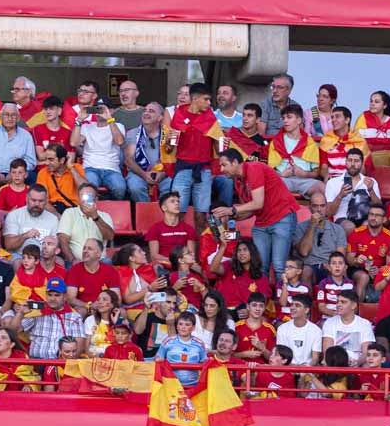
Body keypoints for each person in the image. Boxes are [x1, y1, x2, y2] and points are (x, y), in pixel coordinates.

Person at [214, 149, 300, 283]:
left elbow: (257, 203)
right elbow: (251, 210)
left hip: (281, 217)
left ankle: (281, 302)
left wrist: (231, 210)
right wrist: (229, 217)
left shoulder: (254, 168)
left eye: (224, 165)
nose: (221, 169)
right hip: (262, 222)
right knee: (260, 267)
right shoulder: (238, 181)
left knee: (278, 266)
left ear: (235, 162)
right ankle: (263, 301)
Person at [168, 83, 223, 222]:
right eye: (206, 99)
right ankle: (177, 244)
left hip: (204, 170)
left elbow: (220, 145)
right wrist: (170, 139)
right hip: (182, 169)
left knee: (201, 216)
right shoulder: (179, 115)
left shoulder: (210, 117)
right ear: (195, 98)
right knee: (177, 213)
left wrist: (222, 159)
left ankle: (202, 244)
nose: (209, 103)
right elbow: (169, 148)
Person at [268, 104, 325, 201]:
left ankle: (318, 216)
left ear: (299, 120)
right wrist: (281, 175)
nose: (285, 121)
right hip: (282, 179)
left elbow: (316, 173)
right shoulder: (276, 142)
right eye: (284, 118)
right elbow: (269, 172)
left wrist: (303, 174)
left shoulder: (310, 143)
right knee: (269, 185)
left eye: (289, 117)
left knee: (321, 187)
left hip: (304, 181)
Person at [21, 277, 85, 359]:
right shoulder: (37, 313)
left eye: (57, 295)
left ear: (65, 296)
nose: (52, 298)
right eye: (50, 295)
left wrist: (66, 363)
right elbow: (13, 330)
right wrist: (20, 313)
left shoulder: (74, 317)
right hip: (36, 362)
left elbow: (79, 345)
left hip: (60, 363)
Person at [0, 104, 34, 193]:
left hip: (17, 172)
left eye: (13, 115)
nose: (10, 118)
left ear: (18, 118)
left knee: (31, 176)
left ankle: (25, 205)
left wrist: (15, 173)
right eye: (6, 115)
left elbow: (31, 161)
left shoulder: (26, 136)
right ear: (1, 117)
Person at [124, 102, 172, 203]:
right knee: (135, 187)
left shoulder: (171, 134)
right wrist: (144, 175)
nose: (146, 113)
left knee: (171, 187)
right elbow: (129, 159)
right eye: (145, 110)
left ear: (160, 118)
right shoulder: (133, 133)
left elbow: (174, 158)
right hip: (138, 172)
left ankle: (163, 214)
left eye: (151, 111)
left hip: (165, 172)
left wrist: (163, 174)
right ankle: (148, 213)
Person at [324, 149, 381, 232]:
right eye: (350, 160)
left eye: (356, 161)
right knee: (349, 226)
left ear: (362, 163)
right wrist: (340, 195)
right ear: (345, 162)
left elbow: (379, 207)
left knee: (367, 225)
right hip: (343, 219)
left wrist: (371, 190)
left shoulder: (370, 181)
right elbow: (328, 213)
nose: (353, 164)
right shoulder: (333, 182)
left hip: (365, 218)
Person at [57, 185, 115, 265]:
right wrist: (72, 260)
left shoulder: (105, 216)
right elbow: (63, 239)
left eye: (89, 196)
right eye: (83, 196)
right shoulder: (69, 213)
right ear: (78, 198)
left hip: (99, 261)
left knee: (108, 262)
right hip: (76, 261)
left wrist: (95, 216)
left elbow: (110, 236)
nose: (86, 200)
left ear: (96, 199)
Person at [322, 289, 375, 365]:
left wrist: (357, 363)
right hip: (335, 363)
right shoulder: (329, 322)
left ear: (353, 305)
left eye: (343, 302)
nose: (338, 305)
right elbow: (327, 351)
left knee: (367, 364)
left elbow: (366, 352)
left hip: (357, 364)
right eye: (337, 301)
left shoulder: (365, 324)